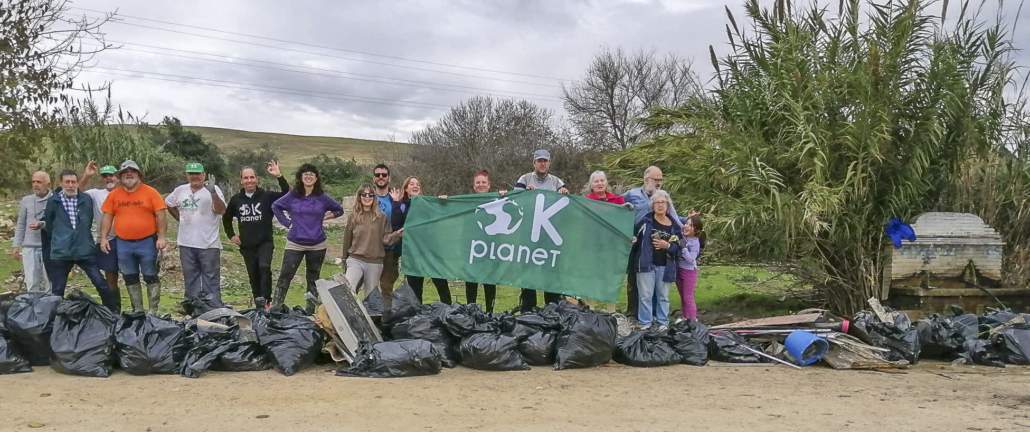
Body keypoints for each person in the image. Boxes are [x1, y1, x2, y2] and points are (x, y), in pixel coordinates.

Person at [39, 170, 118, 311]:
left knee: (101, 283)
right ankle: (55, 321)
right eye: (67, 182)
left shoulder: (86, 199)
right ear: (61, 183)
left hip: (84, 250)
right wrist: (61, 238)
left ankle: (112, 314)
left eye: (73, 182)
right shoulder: (53, 201)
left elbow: (88, 221)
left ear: (77, 183)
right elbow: (49, 224)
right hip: (61, 252)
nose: (70, 185)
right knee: (57, 289)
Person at [270, 164, 344, 310]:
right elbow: (276, 206)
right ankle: (275, 309)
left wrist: (329, 215)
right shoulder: (293, 196)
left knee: (313, 279)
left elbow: (339, 210)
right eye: (305, 174)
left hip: (317, 245)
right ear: (301, 177)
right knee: (285, 276)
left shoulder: (322, 198)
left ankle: (310, 312)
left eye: (312, 174)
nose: (309, 176)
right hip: (295, 243)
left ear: (316, 178)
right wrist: (286, 223)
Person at [99, 160, 169, 313]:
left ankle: (153, 311)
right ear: (120, 176)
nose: (129, 174)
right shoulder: (114, 195)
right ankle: (137, 310)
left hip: (147, 242)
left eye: (132, 172)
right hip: (123, 243)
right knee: (129, 276)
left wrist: (162, 237)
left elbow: (161, 215)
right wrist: (103, 238)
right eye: (125, 173)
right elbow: (107, 216)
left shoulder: (151, 192)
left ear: (139, 175)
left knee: (150, 275)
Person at [223, 161, 290, 308]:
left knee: (264, 267)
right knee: (253, 274)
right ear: (241, 181)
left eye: (252, 177)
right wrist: (231, 235)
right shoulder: (236, 200)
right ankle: (258, 303)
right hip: (247, 245)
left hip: (265, 242)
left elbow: (286, 194)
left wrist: (279, 176)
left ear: (257, 179)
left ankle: (267, 301)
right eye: (246, 178)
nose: (249, 181)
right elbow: (226, 218)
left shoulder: (267, 196)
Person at [512, 149, 568, 312]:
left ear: (549, 163)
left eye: (545, 161)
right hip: (529, 235)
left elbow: (566, 205)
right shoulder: (525, 178)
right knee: (528, 273)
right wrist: (525, 194)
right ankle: (528, 310)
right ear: (534, 163)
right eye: (539, 161)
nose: (542, 163)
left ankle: (551, 309)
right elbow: (515, 202)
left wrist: (564, 193)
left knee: (550, 272)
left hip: (549, 236)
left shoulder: (556, 181)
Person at [621, 166, 679, 319]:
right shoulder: (632, 194)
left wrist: (689, 222)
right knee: (634, 278)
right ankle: (633, 313)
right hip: (634, 241)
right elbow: (616, 205)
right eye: (656, 179)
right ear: (646, 179)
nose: (659, 182)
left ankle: (654, 316)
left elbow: (675, 217)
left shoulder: (663, 197)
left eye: (661, 179)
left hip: (653, 242)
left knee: (655, 282)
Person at [166, 162, 227, 306]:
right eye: (191, 174)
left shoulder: (213, 189)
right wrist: (179, 218)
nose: (195, 177)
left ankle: (213, 308)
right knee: (190, 278)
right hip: (186, 243)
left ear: (204, 175)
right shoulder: (180, 190)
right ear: (187, 175)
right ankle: (193, 307)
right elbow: (169, 204)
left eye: (198, 174)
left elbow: (221, 210)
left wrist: (212, 192)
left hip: (209, 243)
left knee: (210, 278)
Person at [342, 183, 402, 313]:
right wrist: (344, 260)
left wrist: (397, 235)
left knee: (371, 299)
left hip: (375, 262)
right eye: (364, 194)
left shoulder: (382, 217)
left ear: (374, 198)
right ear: (359, 197)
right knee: (348, 288)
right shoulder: (353, 217)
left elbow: (386, 240)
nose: (367, 197)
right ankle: (346, 318)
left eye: (370, 195)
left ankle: (370, 326)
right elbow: (347, 240)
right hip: (355, 259)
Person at [391, 176, 451, 304]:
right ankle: (417, 317)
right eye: (411, 184)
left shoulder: (428, 204)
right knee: (416, 289)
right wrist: (396, 203)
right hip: (413, 254)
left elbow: (441, 217)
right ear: (406, 188)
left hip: (431, 252)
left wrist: (443, 202)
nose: (415, 186)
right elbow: (396, 226)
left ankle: (449, 311)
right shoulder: (401, 205)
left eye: (417, 184)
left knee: (441, 284)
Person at [633, 190, 681, 331]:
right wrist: (633, 240)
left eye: (663, 202)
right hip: (646, 264)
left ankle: (662, 323)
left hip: (666, 266)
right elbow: (634, 237)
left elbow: (680, 248)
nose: (660, 205)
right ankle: (645, 324)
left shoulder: (674, 226)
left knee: (663, 296)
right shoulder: (645, 221)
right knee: (645, 296)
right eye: (657, 202)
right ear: (652, 205)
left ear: (668, 205)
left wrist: (667, 246)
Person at [80, 162, 122, 306]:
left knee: (131, 275)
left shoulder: (126, 192)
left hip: (126, 240)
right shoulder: (96, 194)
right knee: (110, 277)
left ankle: (137, 311)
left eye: (111, 175)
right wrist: (87, 175)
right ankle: (113, 309)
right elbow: (77, 191)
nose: (108, 178)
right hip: (106, 240)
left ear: (118, 177)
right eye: (105, 176)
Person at [12, 171, 52, 293]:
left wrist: (43, 225)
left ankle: (49, 309)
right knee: (31, 282)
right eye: (33, 182)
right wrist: (16, 245)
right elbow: (21, 224)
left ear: (48, 184)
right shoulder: (26, 200)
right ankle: (32, 309)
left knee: (50, 282)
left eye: (39, 182)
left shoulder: (55, 199)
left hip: (49, 247)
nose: (35, 184)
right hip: (29, 247)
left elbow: (59, 223)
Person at [372, 164, 400, 294]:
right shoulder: (367, 197)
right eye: (378, 175)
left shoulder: (396, 198)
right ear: (374, 178)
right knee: (369, 287)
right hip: (370, 249)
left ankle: (386, 314)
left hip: (390, 251)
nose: (381, 177)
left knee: (386, 287)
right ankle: (370, 314)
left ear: (389, 178)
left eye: (384, 175)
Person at [676, 214, 705, 323]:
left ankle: (693, 320)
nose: (687, 226)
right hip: (679, 270)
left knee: (688, 296)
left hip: (689, 272)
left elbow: (691, 259)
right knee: (682, 296)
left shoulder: (695, 242)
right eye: (686, 224)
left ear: (696, 229)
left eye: (691, 225)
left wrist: (683, 248)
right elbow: (675, 218)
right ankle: (685, 318)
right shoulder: (684, 237)